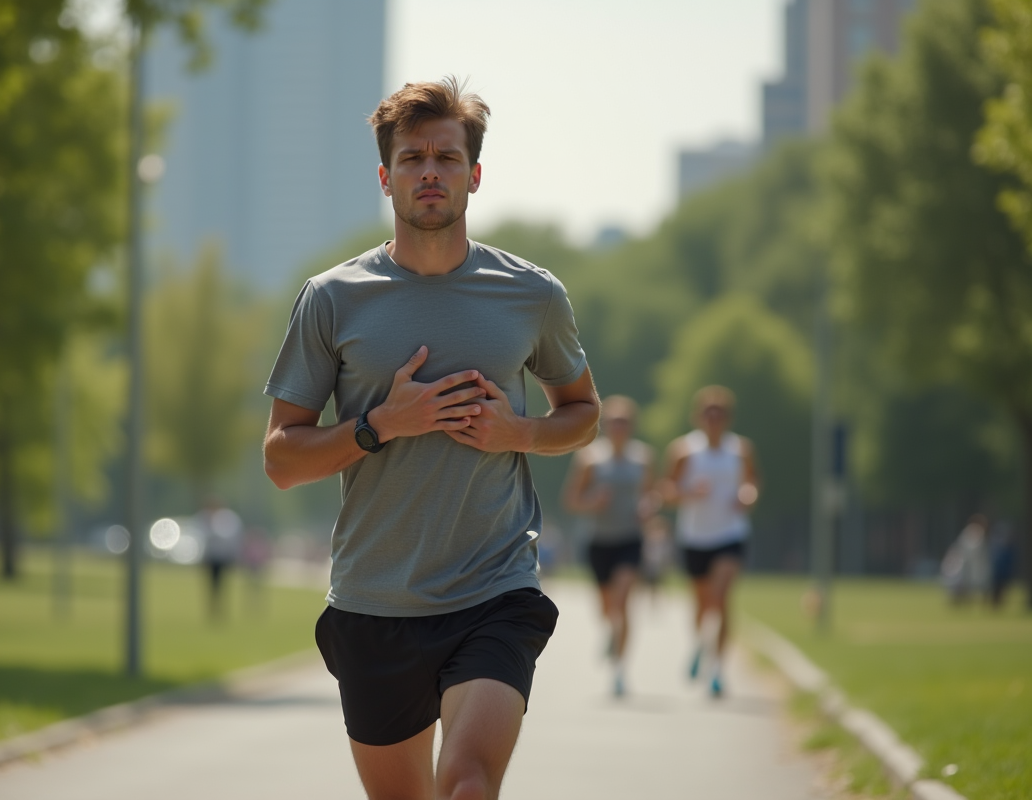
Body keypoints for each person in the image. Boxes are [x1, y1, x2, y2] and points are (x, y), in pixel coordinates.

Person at [261, 77, 600, 800]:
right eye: (412, 158)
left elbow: (583, 413)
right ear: (386, 177)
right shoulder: (332, 299)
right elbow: (282, 459)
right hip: (375, 603)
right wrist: (380, 425)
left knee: (467, 784)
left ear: (474, 175)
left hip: (494, 589)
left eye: (447, 158)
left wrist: (518, 432)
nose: (430, 173)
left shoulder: (532, 294)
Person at [661, 386, 758, 698]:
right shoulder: (684, 450)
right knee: (702, 605)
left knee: (721, 598)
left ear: (728, 418)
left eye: (720, 413)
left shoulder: (741, 449)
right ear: (698, 417)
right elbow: (667, 491)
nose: (714, 418)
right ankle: (701, 646)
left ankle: (718, 671)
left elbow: (752, 482)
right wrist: (690, 494)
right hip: (695, 537)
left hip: (731, 533)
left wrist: (748, 496)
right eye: (708, 412)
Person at [561, 395, 655, 697]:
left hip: (630, 538)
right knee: (607, 608)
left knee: (623, 600)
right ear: (605, 425)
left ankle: (619, 671)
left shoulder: (643, 457)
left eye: (624, 422)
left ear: (631, 426)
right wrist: (593, 502)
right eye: (613, 422)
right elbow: (572, 500)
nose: (619, 427)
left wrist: (648, 506)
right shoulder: (590, 458)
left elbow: (652, 494)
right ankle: (611, 631)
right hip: (599, 541)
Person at [197, 500, 242, 620]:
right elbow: (201, 538)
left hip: (223, 557)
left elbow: (231, 537)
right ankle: (212, 608)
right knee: (211, 584)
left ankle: (221, 608)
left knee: (222, 584)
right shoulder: (203, 518)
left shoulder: (227, 518)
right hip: (211, 557)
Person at [941, 513, 991, 605]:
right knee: (969, 586)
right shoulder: (975, 531)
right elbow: (972, 550)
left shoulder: (967, 532)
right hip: (971, 564)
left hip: (968, 563)